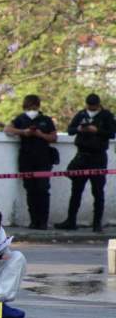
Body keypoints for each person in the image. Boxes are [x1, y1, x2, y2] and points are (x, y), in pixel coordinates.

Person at [55, 93, 116, 232]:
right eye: (89, 106)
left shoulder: (106, 115)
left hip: (98, 157)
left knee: (98, 192)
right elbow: (70, 130)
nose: (91, 108)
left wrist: (97, 130)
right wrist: (79, 129)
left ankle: (97, 223)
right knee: (76, 190)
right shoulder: (82, 114)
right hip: (82, 156)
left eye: (93, 106)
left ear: (98, 105)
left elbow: (112, 133)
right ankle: (71, 221)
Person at [4, 95, 58, 230]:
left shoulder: (46, 120)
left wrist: (40, 135)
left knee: (43, 190)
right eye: (29, 106)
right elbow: (8, 130)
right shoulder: (21, 119)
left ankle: (43, 222)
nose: (32, 109)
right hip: (27, 159)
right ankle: (34, 221)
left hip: (43, 159)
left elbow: (53, 137)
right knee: (30, 190)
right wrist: (24, 132)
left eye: (34, 106)